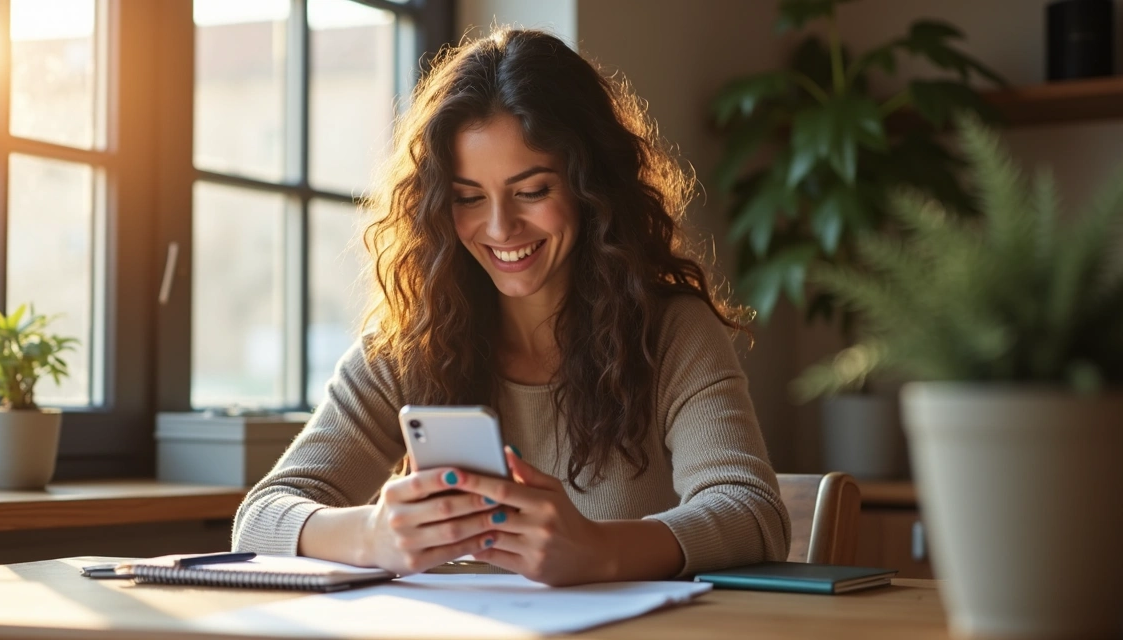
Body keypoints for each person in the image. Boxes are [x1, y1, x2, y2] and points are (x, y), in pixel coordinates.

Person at [232, 28, 790, 586]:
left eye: (532, 191)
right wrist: (371, 535)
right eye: (468, 198)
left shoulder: (672, 332)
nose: (499, 228)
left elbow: (751, 512)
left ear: (591, 187)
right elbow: (261, 517)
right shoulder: (413, 341)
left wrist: (599, 549)